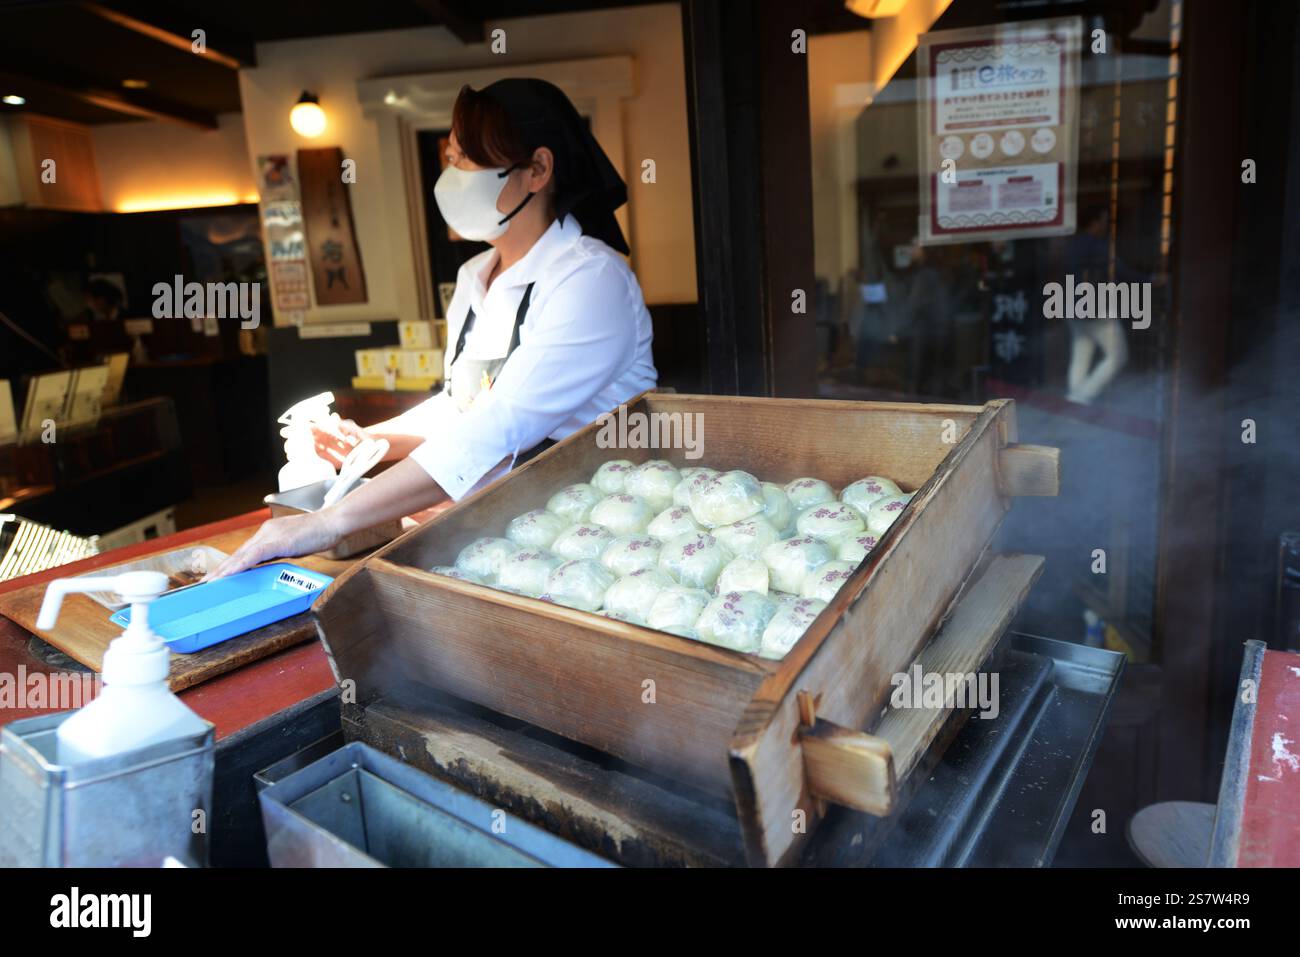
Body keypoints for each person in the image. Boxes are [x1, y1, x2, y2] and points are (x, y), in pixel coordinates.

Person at [210, 78, 657, 578]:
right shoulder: (475, 275)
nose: (451, 175)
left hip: (599, 544)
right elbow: (462, 405)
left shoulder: (590, 279)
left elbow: (499, 425)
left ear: (537, 169)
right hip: (504, 532)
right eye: (451, 157)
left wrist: (329, 522)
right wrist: (371, 441)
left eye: (468, 160)